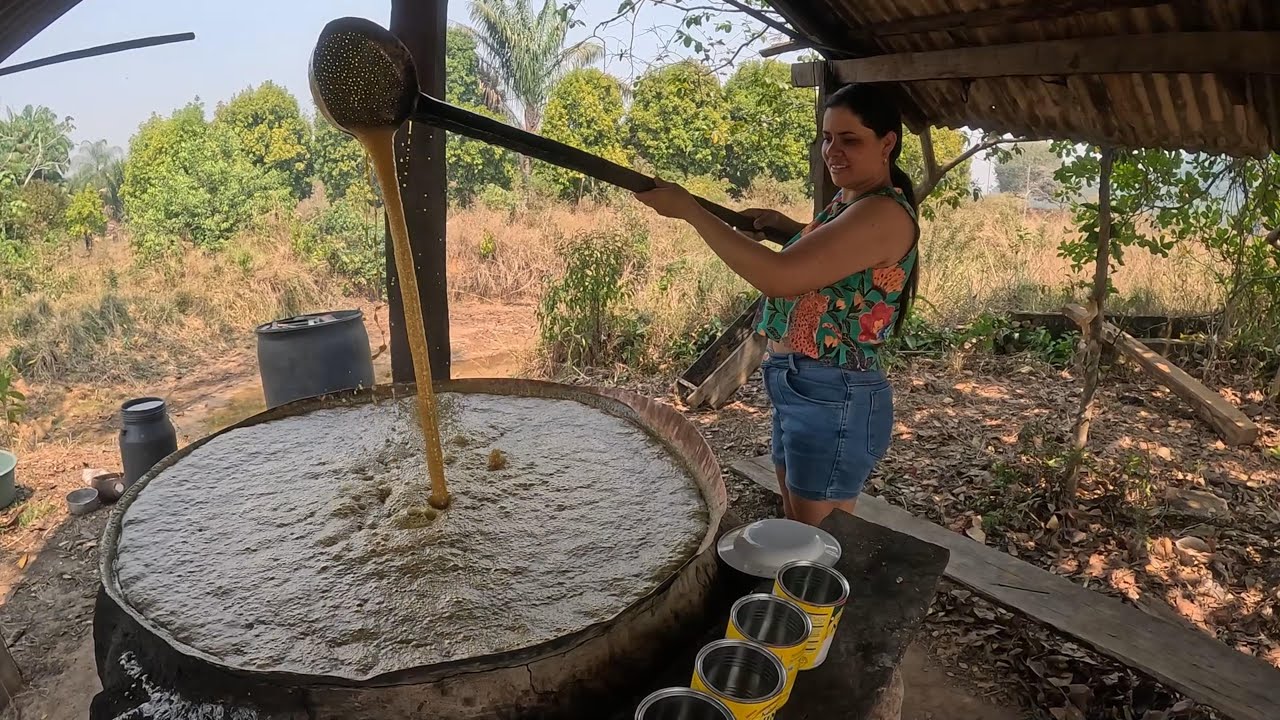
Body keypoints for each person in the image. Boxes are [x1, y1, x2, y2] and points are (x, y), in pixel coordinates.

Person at [633, 83, 920, 527]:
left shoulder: (879, 212)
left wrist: (691, 211)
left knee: (816, 537)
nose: (833, 151)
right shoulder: (851, 202)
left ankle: (820, 597)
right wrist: (786, 229)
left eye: (849, 140)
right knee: (801, 519)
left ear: (887, 144)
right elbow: (837, 264)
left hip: (834, 392)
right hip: (803, 384)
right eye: (827, 138)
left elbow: (778, 277)